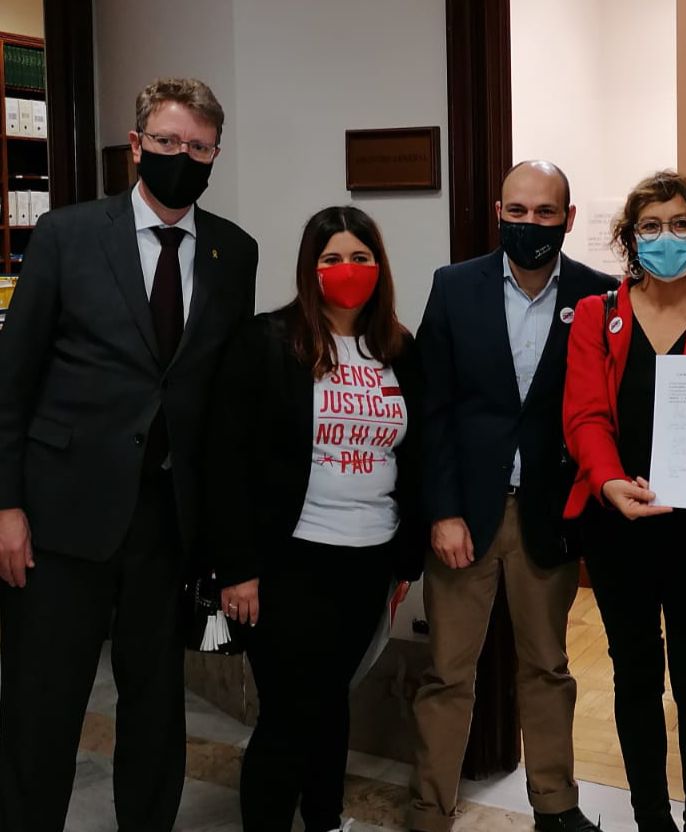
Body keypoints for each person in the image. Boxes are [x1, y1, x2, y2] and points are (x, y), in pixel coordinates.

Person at [0, 78, 257, 831]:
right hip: (59, 519)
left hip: (167, 524)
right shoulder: (68, 234)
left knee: (155, 708)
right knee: (43, 707)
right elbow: (12, 382)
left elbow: (224, 402)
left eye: (200, 147)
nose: (184, 156)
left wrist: (227, 541)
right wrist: (6, 505)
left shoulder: (233, 252)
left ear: (216, 155)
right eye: (169, 141)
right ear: (137, 146)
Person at [409, 160, 615, 832]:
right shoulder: (454, 287)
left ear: (568, 218)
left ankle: (555, 805)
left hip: (547, 518)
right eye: (518, 211)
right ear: (499, 213)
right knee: (448, 673)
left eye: (545, 212)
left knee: (548, 668)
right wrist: (441, 510)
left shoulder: (599, 296)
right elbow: (432, 410)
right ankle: (429, 810)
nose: (530, 223)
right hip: (465, 516)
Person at [204, 206, 425, 831]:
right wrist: (238, 568)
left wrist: (406, 559)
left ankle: (325, 819)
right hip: (289, 562)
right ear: (311, 268)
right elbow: (226, 459)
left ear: (378, 267)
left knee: (330, 701)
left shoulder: (399, 349)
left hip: (369, 559)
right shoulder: (269, 341)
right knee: (288, 712)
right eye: (332, 259)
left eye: (360, 258)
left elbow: (417, 454)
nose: (347, 270)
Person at [562, 170, 686, 832]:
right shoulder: (597, 315)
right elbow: (585, 415)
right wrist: (608, 481)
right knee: (636, 677)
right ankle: (651, 819)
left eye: (680, 224)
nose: (666, 238)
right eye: (651, 226)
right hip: (618, 528)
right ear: (630, 238)